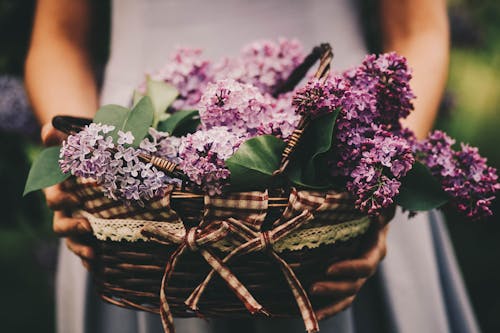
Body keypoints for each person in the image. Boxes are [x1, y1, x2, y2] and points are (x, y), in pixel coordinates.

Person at [25, 0, 479, 332]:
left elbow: (417, 30)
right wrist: (80, 162)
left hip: (332, 151)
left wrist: (383, 174)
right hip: (135, 160)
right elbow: (59, 39)